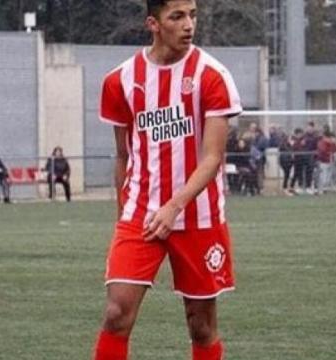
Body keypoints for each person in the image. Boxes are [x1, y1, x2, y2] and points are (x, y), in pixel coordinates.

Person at [94, 1, 241, 359]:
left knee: (201, 325)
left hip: (197, 216)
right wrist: (122, 220)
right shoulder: (120, 81)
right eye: (177, 16)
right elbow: (123, 156)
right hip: (141, 214)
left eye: (192, 14)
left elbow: (212, 157)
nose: (188, 24)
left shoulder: (212, 75)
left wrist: (175, 206)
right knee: (116, 313)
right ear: (153, 23)